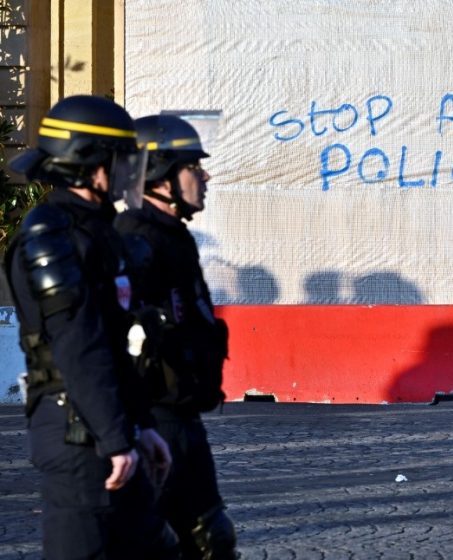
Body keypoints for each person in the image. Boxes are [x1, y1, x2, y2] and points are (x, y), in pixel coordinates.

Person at [3, 95, 179, 559]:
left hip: (110, 427)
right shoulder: (52, 235)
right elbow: (79, 345)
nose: (129, 172)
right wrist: (120, 437)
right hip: (76, 433)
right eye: (122, 160)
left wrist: (141, 426)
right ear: (91, 162)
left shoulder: (98, 230)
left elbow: (118, 344)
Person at [114, 114, 237, 560]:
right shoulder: (135, 239)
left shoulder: (175, 237)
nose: (203, 176)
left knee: (213, 537)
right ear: (162, 176)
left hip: (185, 415)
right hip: (153, 417)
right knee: (150, 543)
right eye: (192, 167)